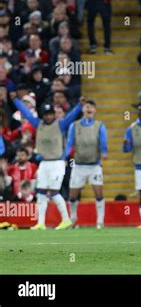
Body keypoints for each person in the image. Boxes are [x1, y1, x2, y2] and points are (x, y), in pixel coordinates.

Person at [10, 91, 85, 230]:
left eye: (50, 113)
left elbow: (71, 116)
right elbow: (26, 113)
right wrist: (16, 102)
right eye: (46, 114)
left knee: (54, 192)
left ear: (53, 114)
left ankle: (66, 220)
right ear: (43, 115)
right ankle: (41, 223)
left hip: (57, 163)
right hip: (44, 163)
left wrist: (80, 106)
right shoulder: (38, 124)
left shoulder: (61, 124)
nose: (48, 116)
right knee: (41, 193)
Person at [66, 99, 108, 229]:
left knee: (99, 193)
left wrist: (104, 152)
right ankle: (73, 218)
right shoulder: (75, 125)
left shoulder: (100, 125)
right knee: (73, 195)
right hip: (78, 165)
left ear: (95, 110)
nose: (89, 109)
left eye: (91, 107)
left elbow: (103, 140)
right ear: (83, 109)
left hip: (94, 165)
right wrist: (64, 156)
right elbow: (69, 143)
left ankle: (100, 221)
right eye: (86, 107)